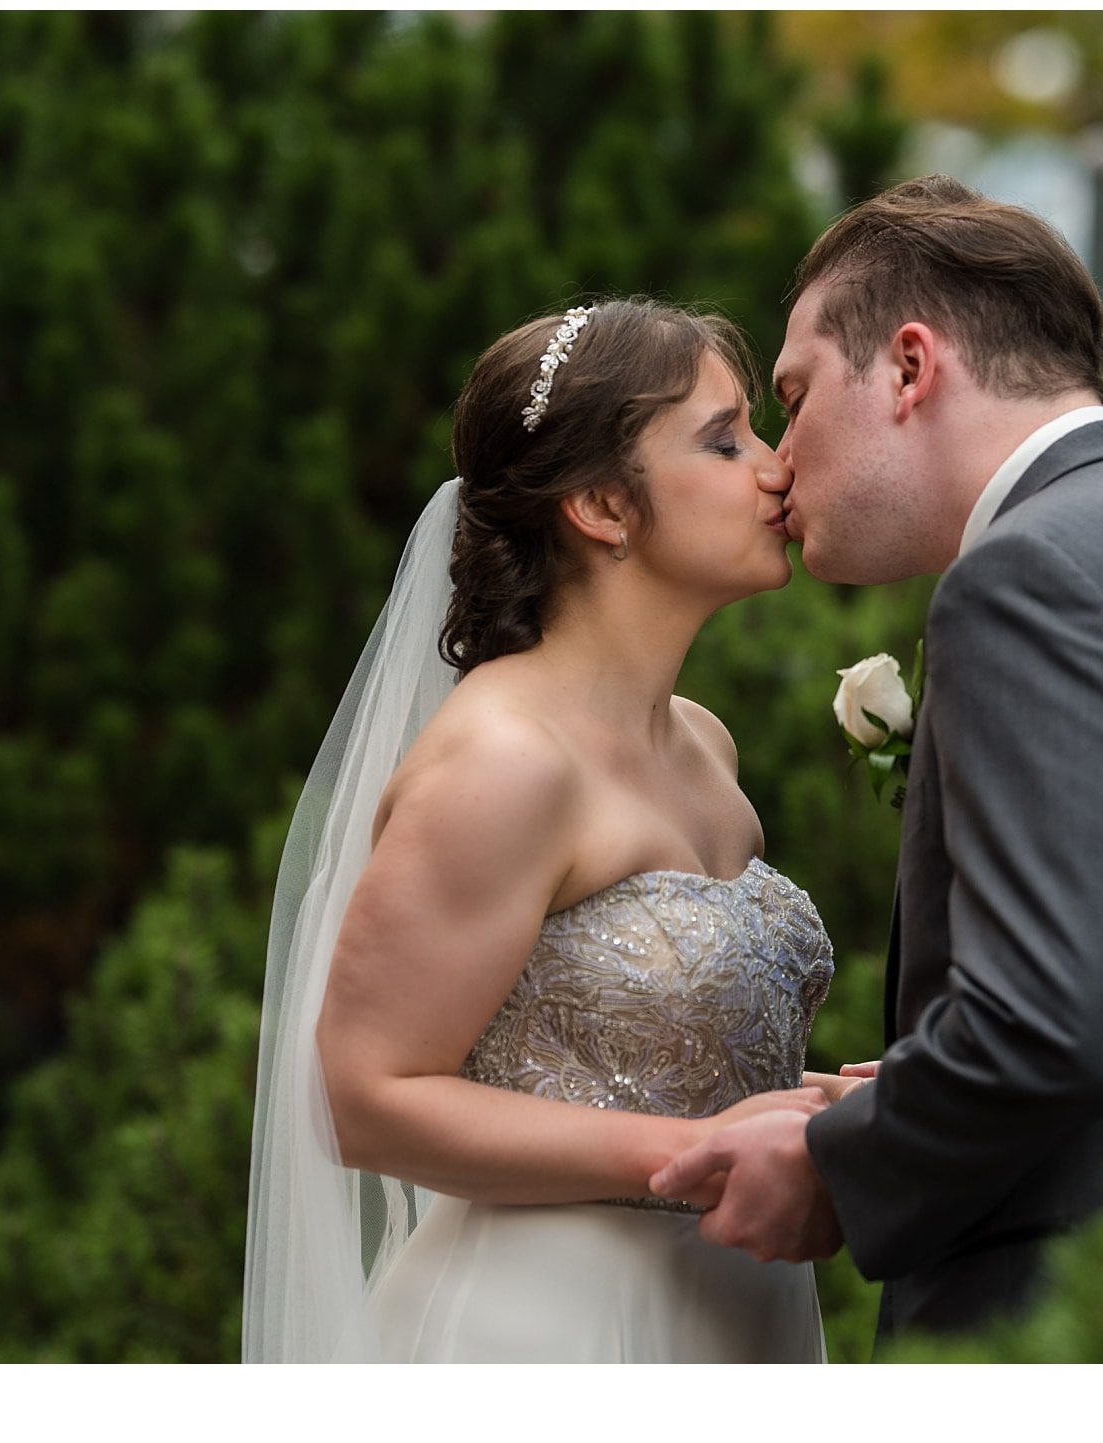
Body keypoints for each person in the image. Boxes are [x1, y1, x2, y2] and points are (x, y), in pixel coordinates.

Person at [651, 177, 1103, 1346]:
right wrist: (917, 1083)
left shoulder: (1029, 579)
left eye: (794, 397)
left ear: (908, 366)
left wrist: (835, 1163)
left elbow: (1052, 1020)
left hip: (1083, 1315)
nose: (779, 464)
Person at [243, 298, 852, 1363]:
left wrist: (835, 1107)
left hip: (740, 1313)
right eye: (725, 441)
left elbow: (682, 1057)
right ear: (604, 506)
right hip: (552, 1328)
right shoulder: (505, 760)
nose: (776, 467)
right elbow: (362, 1098)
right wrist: (689, 1149)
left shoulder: (704, 744)